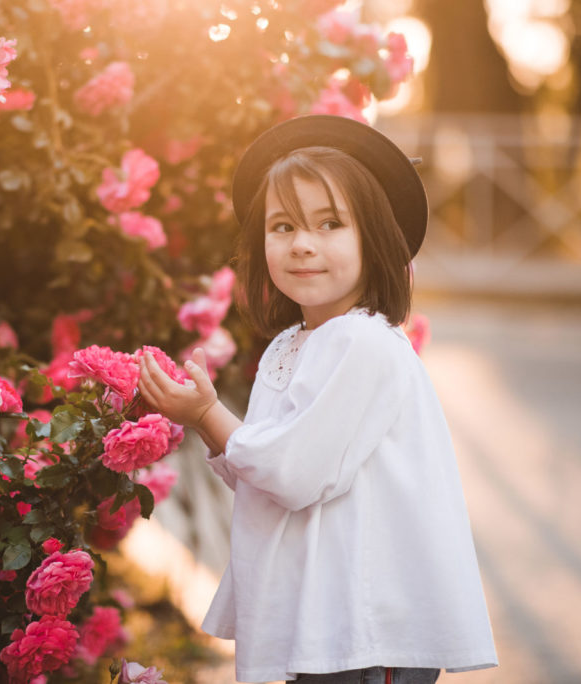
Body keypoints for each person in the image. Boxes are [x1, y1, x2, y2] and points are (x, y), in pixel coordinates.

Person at [138, 115, 497, 684]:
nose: (302, 244)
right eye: (283, 226)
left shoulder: (362, 341)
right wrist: (205, 419)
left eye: (330, 223)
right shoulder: (295, 344)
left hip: (365, 629)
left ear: (374, 241)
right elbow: (267, 472)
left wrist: (206, 412)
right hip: (329, 620)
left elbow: (291, 471)